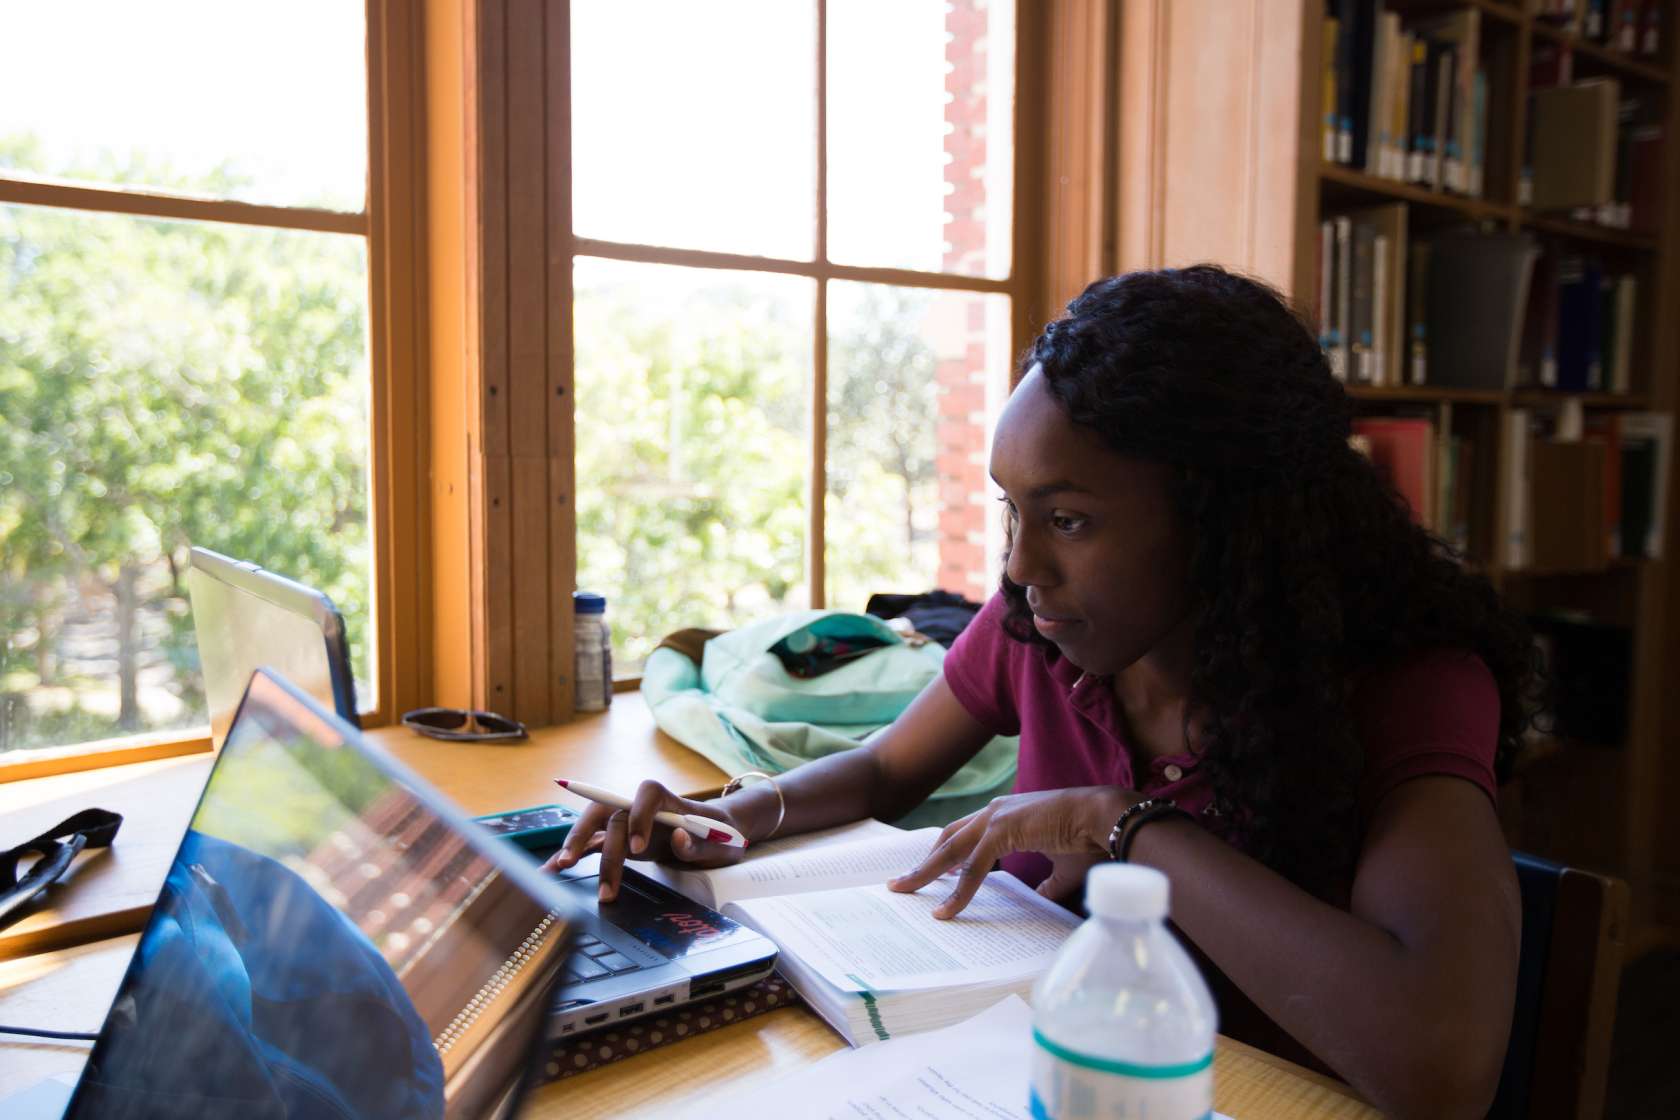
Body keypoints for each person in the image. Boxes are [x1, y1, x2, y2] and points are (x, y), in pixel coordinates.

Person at [548, 265, 1535, 1120]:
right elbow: (889, 767)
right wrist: (728, 814)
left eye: (1067, 520)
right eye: (1011, 511)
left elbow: (1441, 1065)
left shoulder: (1410, 683)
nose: (1019, 566)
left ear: (1225, 520)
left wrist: (1129, 828)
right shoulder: (1046, 627)